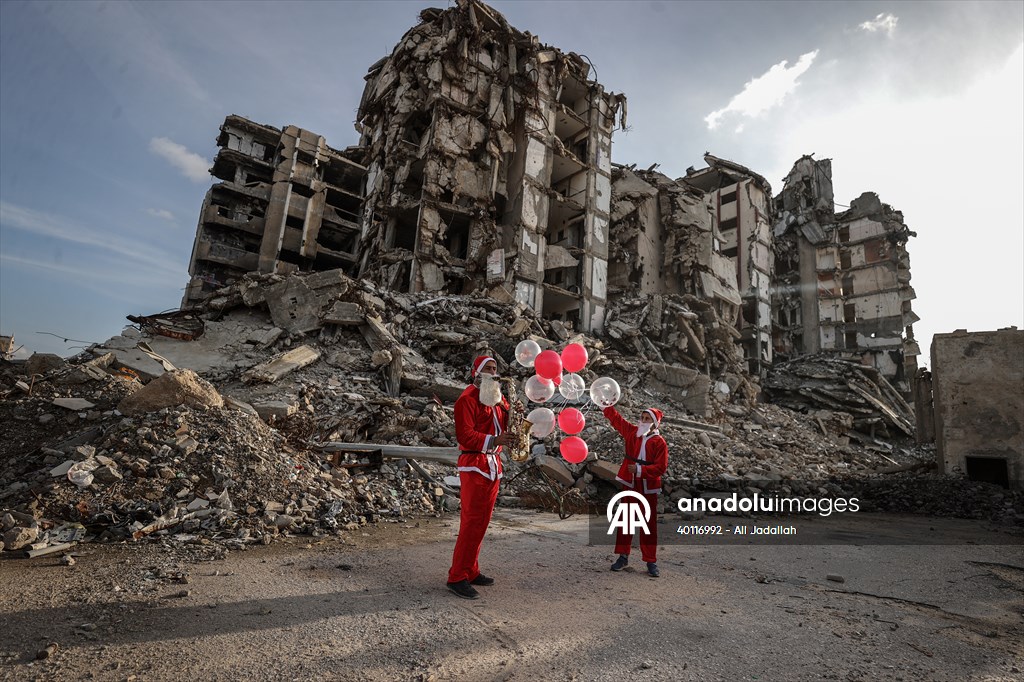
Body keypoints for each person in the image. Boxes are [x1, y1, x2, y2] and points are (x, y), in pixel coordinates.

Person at [446, 355, 513, 599]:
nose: (493, 372)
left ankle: (471, 570)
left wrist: (512, 412)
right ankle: (457, 577)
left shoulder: (497, 398)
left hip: (493, 464)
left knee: (482, 522)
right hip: (474, 465)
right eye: (488, 368)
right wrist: (494, 440)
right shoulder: (467, 399)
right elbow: (464, 435)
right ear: (476, 372)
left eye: (495, 368)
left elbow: (506, 423)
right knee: (471, 522)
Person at [602, 405, 669, 577]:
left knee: (649, 524)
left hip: (648, 485)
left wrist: (640, 470)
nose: (643, 421)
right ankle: (623, 556)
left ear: (655, 423)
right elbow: (617, 421)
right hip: (630, 482)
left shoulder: (659, 442)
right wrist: (606, 406)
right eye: (642, 418)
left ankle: (650, 560)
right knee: (626, 519)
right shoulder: (633, 432)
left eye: (647, 419)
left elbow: (661, 467)